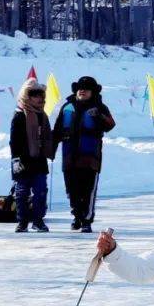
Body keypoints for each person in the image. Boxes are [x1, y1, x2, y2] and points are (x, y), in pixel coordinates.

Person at [52, 76, 115, 232]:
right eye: (80, 88)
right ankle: (77, 216)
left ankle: (86, 220)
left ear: (92, 92)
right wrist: (50, 148)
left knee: (87, 191)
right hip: (69, 157)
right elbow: (58, 130)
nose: (82, 91)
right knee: (71, 191)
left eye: (86, 89)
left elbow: (110, 125)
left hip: (90, 158)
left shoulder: (100, 107)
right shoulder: (67, 107)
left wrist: (99, 116)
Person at [9, 78, 55, 233]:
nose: (39, 97)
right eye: (35, 94)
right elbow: (14, 140)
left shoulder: (43, 116)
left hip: (39, 161)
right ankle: (22, 221)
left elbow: (47, 137)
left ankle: (38, 220)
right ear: (26, 96)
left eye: (41, 94)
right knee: (21, 193)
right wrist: (16, 159)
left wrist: (50, 149)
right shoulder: (19, 116)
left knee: (41, 191)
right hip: (23, 160)